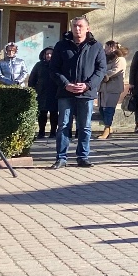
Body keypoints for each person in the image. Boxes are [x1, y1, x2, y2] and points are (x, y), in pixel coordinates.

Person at [49, 17, 105, 168]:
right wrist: (66, 84)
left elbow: (101, 70)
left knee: (85, 126)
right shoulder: (61, 45)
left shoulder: (96, 46)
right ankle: (61, 158)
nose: (77, 29)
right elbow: (53, 69)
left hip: (86, 94)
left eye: (80, 26)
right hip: (66, 93)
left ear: (88, 28)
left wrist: (87, 85)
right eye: (74, 26)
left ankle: (83, 157)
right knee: (63, 125)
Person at [27, 48, 58, 142]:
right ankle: (41, 132)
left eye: (51, 54)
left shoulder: (57, 65)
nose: (49, 56)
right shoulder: (39, 65)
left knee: (54, 114)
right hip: (41, 92)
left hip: (54, 92)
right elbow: (32, 78)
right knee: (42, 114)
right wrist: (32, 89)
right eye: (47, 54)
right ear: (44, 55)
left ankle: (53, 132)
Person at [97, 42, 127, 140]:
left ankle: (107, 129)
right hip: (103, 88)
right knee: (101, 109)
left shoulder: (120, 59)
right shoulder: (104, 58)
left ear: (113, 48)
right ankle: (109, 128)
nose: (105, 49)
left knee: (109, 109)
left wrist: (103, 75)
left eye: (107, 47)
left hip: (113, 87)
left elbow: (116, 70)